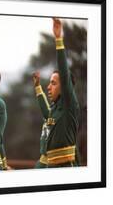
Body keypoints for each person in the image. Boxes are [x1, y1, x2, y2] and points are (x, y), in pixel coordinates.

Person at [32, 18, 80, 168]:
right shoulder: (55, 108)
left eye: (53, 83)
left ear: (65, 87)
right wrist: (38, 88)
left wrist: (58, 39)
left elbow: (64, 73)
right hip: (50, 165)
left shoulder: (69, 104)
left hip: (66, 165)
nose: (49, 87)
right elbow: (47, 113)